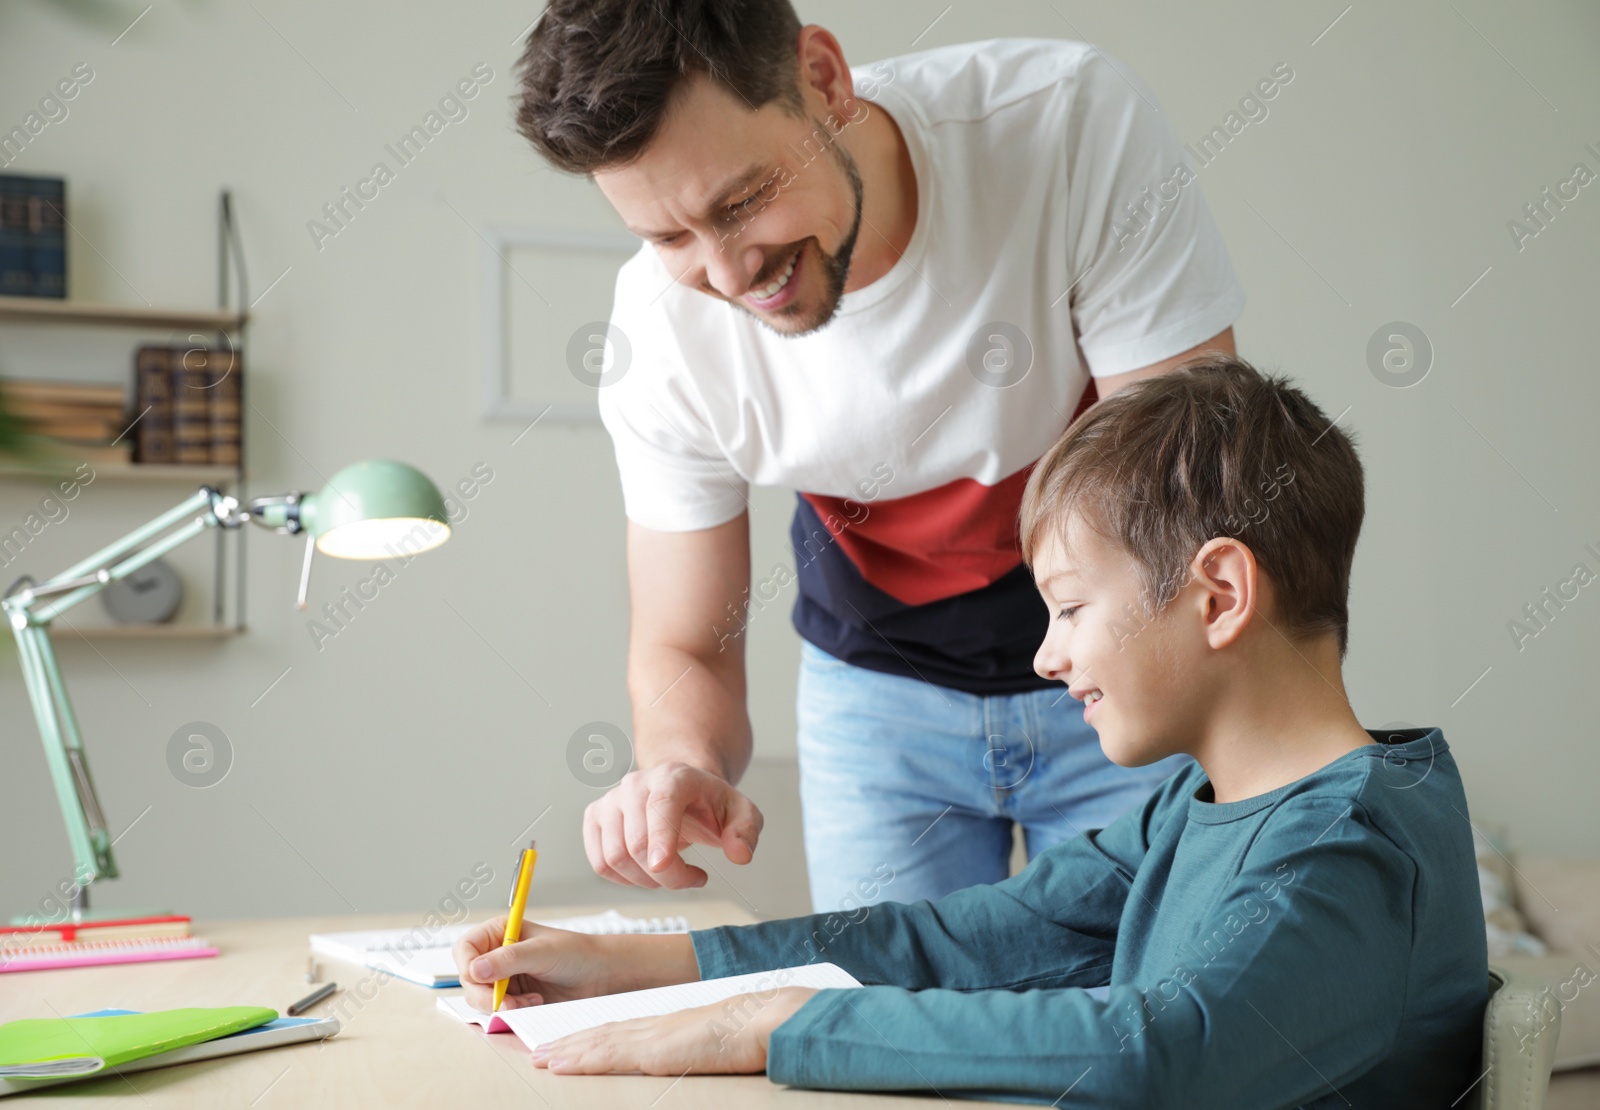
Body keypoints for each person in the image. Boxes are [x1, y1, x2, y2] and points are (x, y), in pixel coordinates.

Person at [453, 357, 1488, 1106]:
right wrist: (635, 964)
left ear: (1218, 594)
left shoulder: (1350, 852)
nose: (1045, 657)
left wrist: (769, 1027)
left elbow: (1162, 1052)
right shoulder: (1202, 806)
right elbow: (961, 937)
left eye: (1071, 609)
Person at [515, 0, 1245, 912]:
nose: (731, 275)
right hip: (877, 698)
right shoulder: (660, 342)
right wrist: (678, 764)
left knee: (1147, 1009)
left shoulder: (1065, 124)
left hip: (1127, 650)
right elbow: (686, 643)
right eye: (668, 238)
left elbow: (1187, 485)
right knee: (893, 1033)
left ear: (823, 80)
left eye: (741, 202)